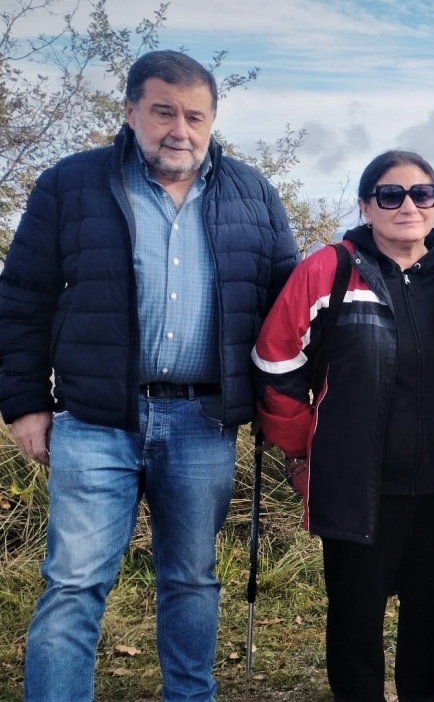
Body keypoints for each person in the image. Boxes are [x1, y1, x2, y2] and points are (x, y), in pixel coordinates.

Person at [0, 50, 298, 701]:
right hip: (94, 421)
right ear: (131, 110)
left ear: (213, 118)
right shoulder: (70, 185)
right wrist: (25, 403)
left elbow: (285, 311)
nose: (179, 129)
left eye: (195, 115)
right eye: (164, 111)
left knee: (191, 579)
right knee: (74, 583)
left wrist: (284, 414)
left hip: (203, 422)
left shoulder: (253, 193)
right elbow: (23, 296)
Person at [252, 150, 434, 701]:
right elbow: (275, 364)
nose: (407, 205)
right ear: (365, 204)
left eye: (421, 193)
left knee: (431, 628)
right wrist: (309, 447)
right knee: (355, 628)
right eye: (390, 194)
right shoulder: (328, 270)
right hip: (357, 489)